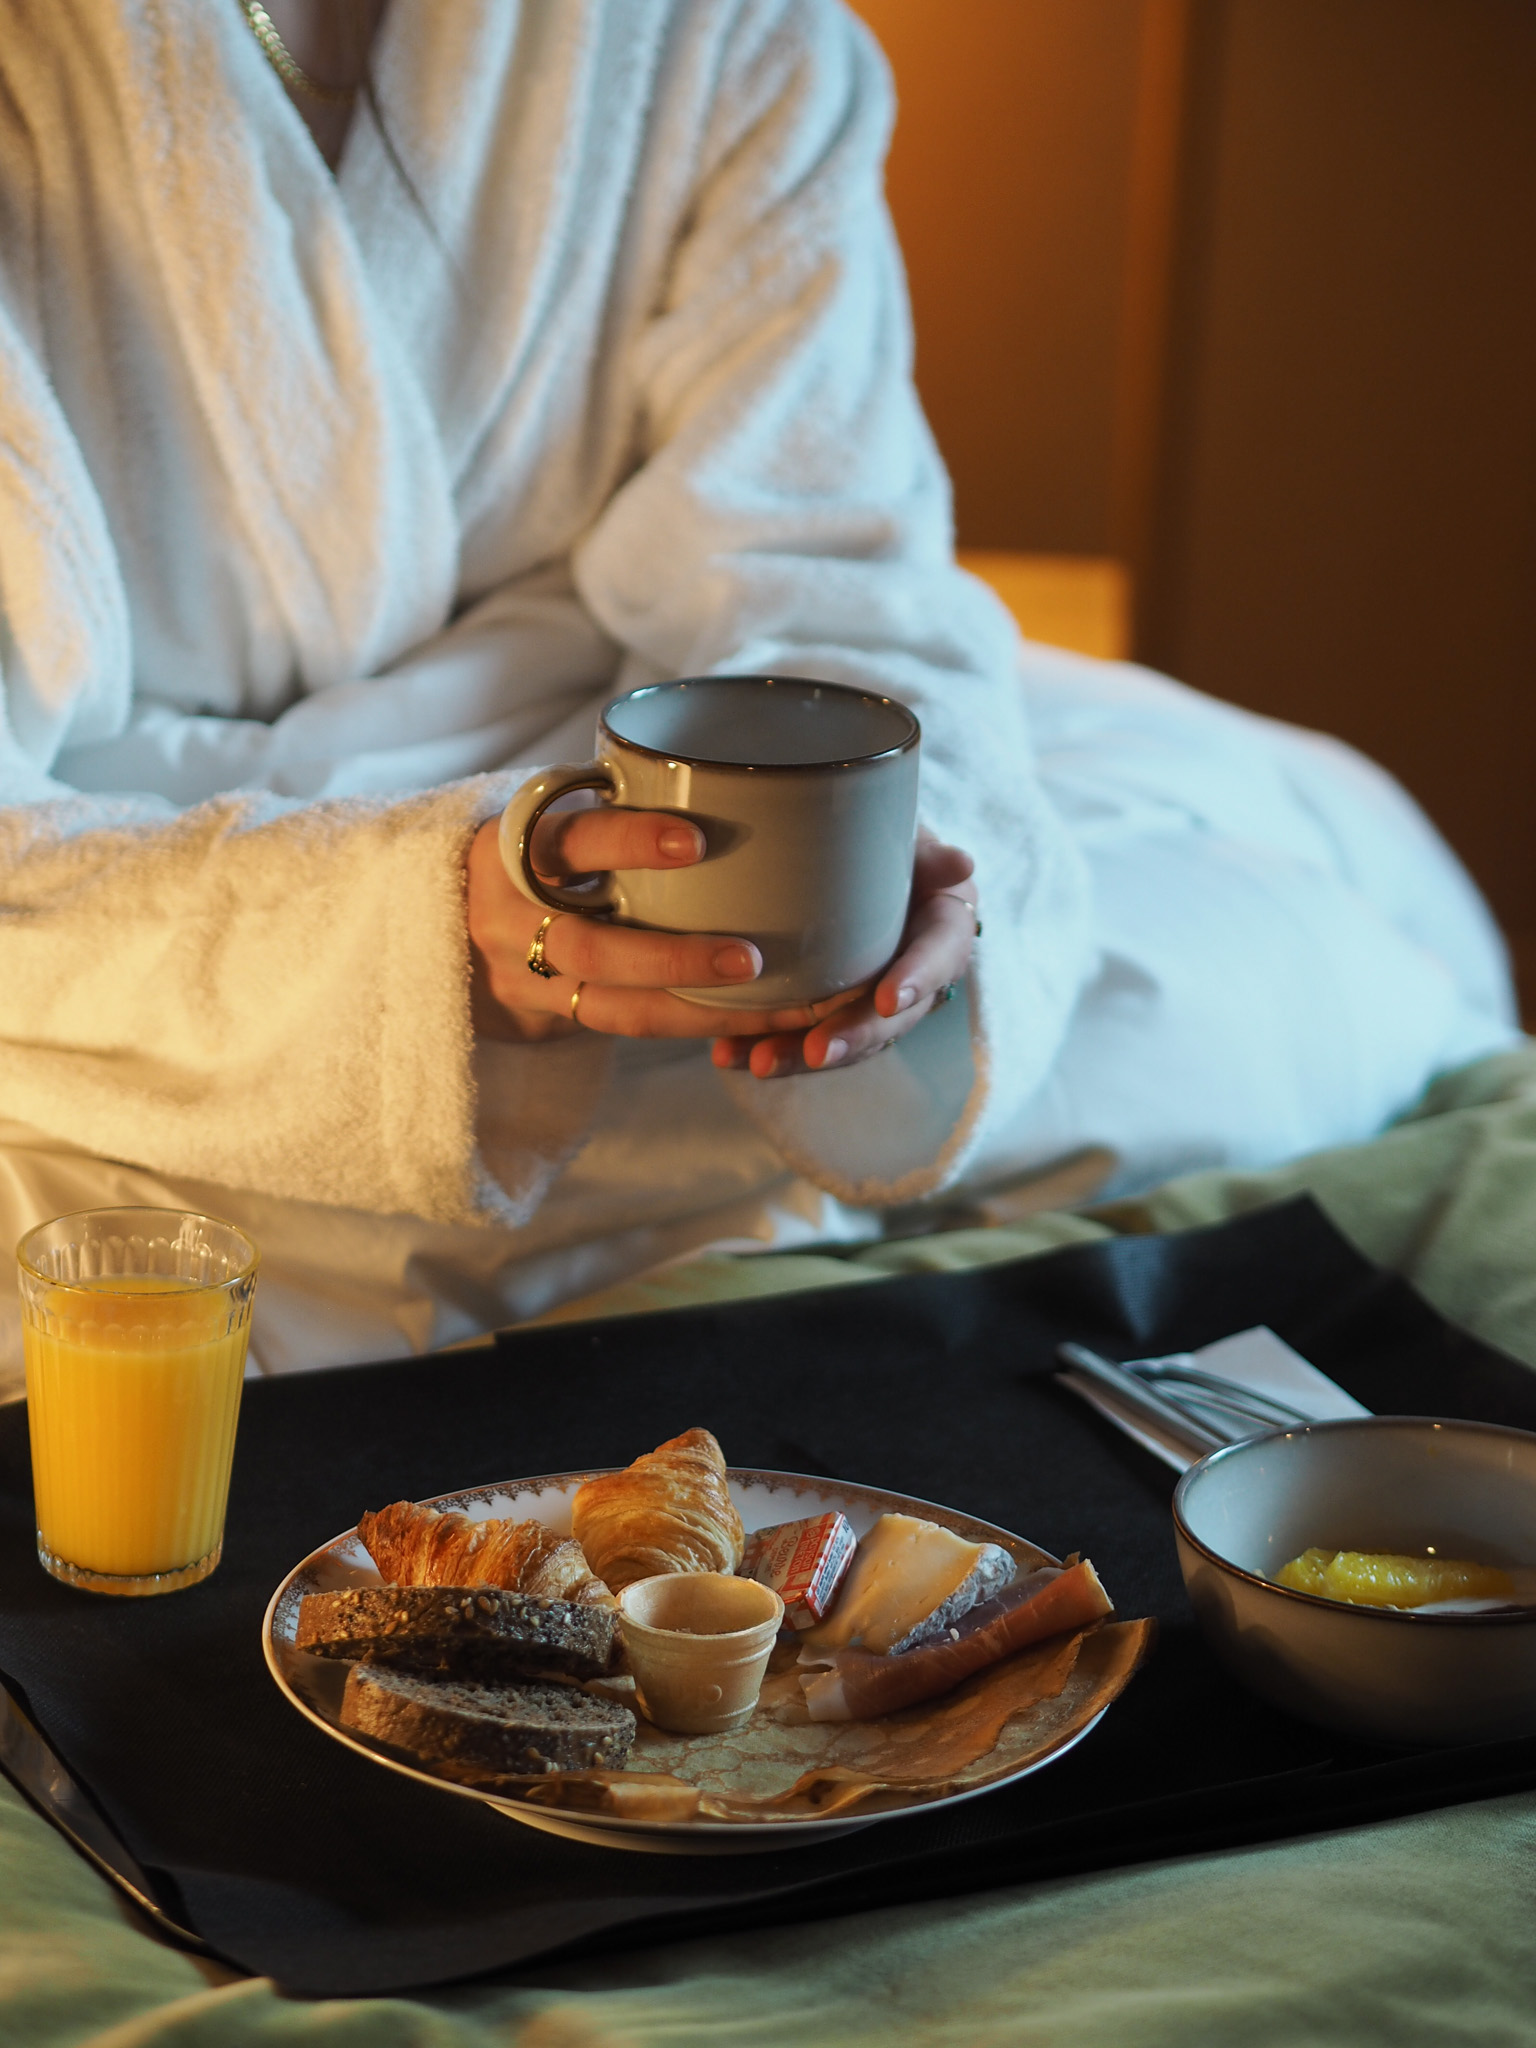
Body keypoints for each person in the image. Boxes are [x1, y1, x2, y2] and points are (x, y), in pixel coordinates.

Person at [0, 0, 1515, 1381]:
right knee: (134, 1259)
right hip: (127, 921)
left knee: (1285, 981)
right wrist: (413, 925)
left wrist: (913, 876)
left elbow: (828, 573)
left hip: (608, 819)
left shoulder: (715, 32)